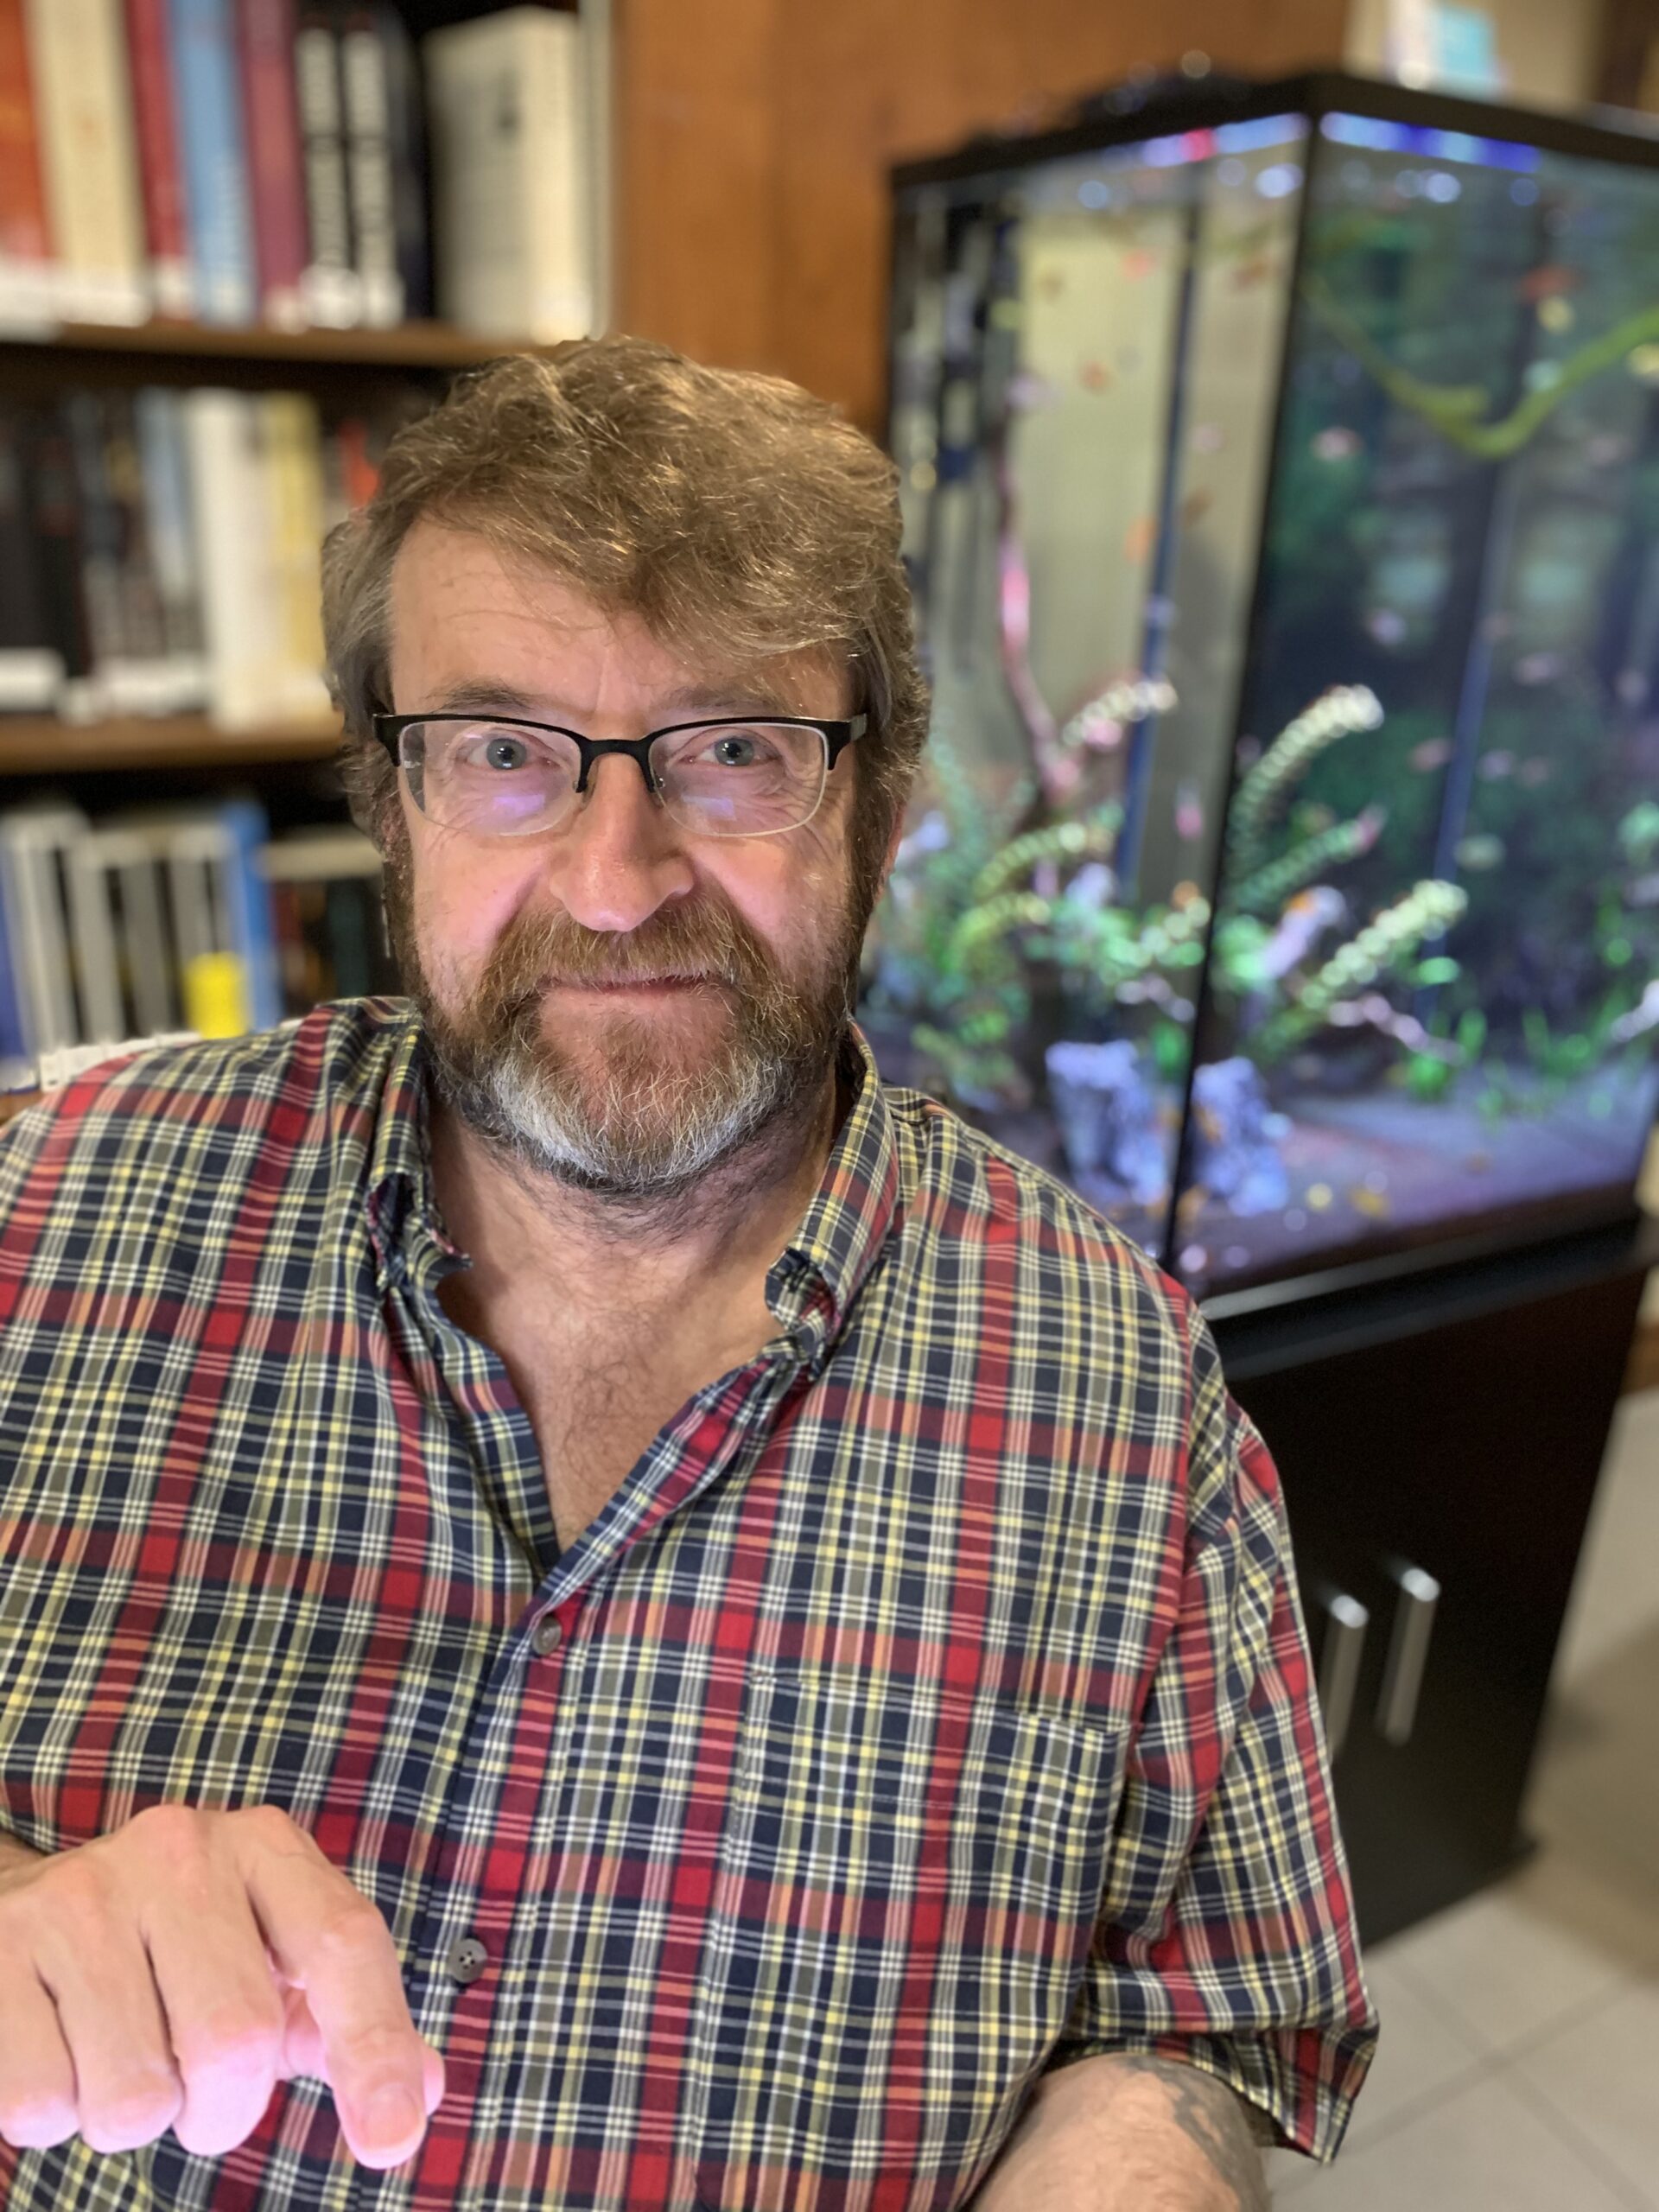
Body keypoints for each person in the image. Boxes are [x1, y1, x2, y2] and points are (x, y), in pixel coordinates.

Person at [0, 338, 1376, 2212]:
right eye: (502, 753)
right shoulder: (50, 1208)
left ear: (880, 803)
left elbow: (1207, 2024)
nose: (617, 878)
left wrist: (1132, 2154)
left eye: (733, 751)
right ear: (393, 801)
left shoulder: (1125, 1392)